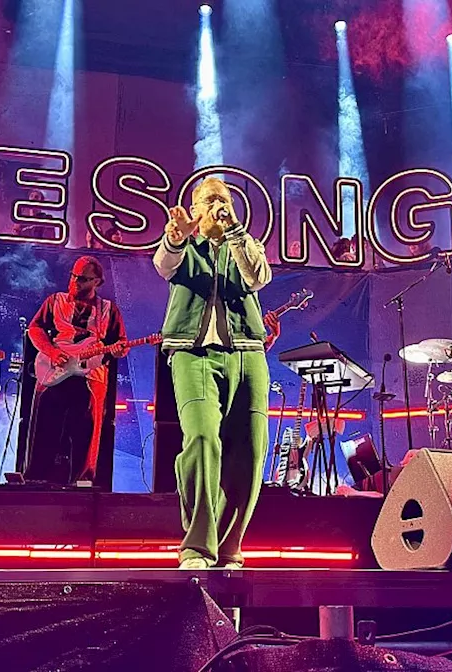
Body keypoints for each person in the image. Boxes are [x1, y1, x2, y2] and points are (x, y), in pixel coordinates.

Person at [153, 176, 272, 570]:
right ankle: (197, 547)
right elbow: (164, 264)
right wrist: (176, 237)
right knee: (203, 438)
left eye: (223, 200)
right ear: (194, 208)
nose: (217, 206)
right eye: (209, 200)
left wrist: (235, 232)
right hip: (192, 353)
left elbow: (258, 277)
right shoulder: (184, 241)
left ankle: (228, 547)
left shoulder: (246, 244)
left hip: (248, 353)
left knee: (251, 452)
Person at [24, 256, 127, 486]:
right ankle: (36, 480)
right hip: (56, 370)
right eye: (73, 276)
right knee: (45, 426)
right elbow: (35, 328)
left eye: (82, 279)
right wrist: (51, 352)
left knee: (87, 432)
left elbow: (120, 343)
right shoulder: (55, 301)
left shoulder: (108, 310)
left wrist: (119, 351)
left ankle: (82, 483)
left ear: (97, 282)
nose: (75, 282)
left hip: (90, 375)